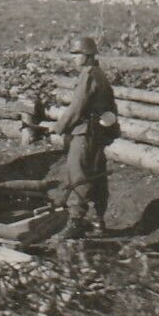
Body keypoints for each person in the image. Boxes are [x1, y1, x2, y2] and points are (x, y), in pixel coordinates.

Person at [49, 36, 119, 239]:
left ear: (87, 55)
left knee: (77, 175)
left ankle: (75, 222)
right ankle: (98, 222)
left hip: (84, 134)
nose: (73, 58)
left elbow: (77, 107)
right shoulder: (100, 74)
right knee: (97, 176)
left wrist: (59, 127)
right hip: (97, 134)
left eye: (76, 54)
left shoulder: (88, 75)